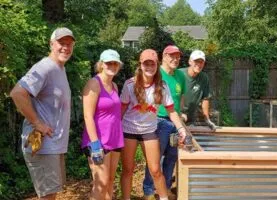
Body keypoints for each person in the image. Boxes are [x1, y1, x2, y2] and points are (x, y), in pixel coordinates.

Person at [9, 27, 75, 199]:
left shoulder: (59, 68)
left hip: (53, 146)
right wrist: (38, 123)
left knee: (51, 195)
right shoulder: (45, 67)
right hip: (43, 145)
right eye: (61, 43)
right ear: (51, 44)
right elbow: (17, 93)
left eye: (69, 44)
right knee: (48, 196)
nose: (66, 48)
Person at [120, 49, 186, 200]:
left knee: (156, 170)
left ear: (157, 65)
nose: (149, 67)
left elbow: (172, 111)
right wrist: (113, 131)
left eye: (152, 64)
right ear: (140, 65)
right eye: (146, 64)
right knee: (128, 170)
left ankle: (163, 197)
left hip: (149, 131)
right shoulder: (129, 84)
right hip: (128, 130)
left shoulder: (162, 86)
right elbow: (121, 110)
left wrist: (181, 129)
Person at [143, 45, 186, 199]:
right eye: (172, 56)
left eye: (178, 57)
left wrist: (181, 115)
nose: (175, 59)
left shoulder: (180, 76)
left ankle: (165, 188)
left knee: (171, 156)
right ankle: (148, 190)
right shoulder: (156, 72)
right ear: (164, 57)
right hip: (158, 121)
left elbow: (180, 98)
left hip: (174, 122)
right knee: (155, 158)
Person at [81, 49, 124, 200]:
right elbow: (87, 115)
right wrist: (95, 145)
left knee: (110, 181)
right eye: (108, 63)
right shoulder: (94, 83)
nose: (112, 66)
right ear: (101, 64)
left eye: (115, 63)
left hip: (114, 139)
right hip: (98, 142)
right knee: (101, 183)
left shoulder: (114, 86)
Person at [179, 50, 217, 129]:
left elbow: (205, 98)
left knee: (191, 140)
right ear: (190, 62)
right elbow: (171, 96)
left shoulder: (204, 78)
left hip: (190, 120)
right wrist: (179, 113)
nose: (199, 64)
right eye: (196, 61)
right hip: (175, 118)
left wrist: (207, 120)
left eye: (201, 62)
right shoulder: (179, 74)